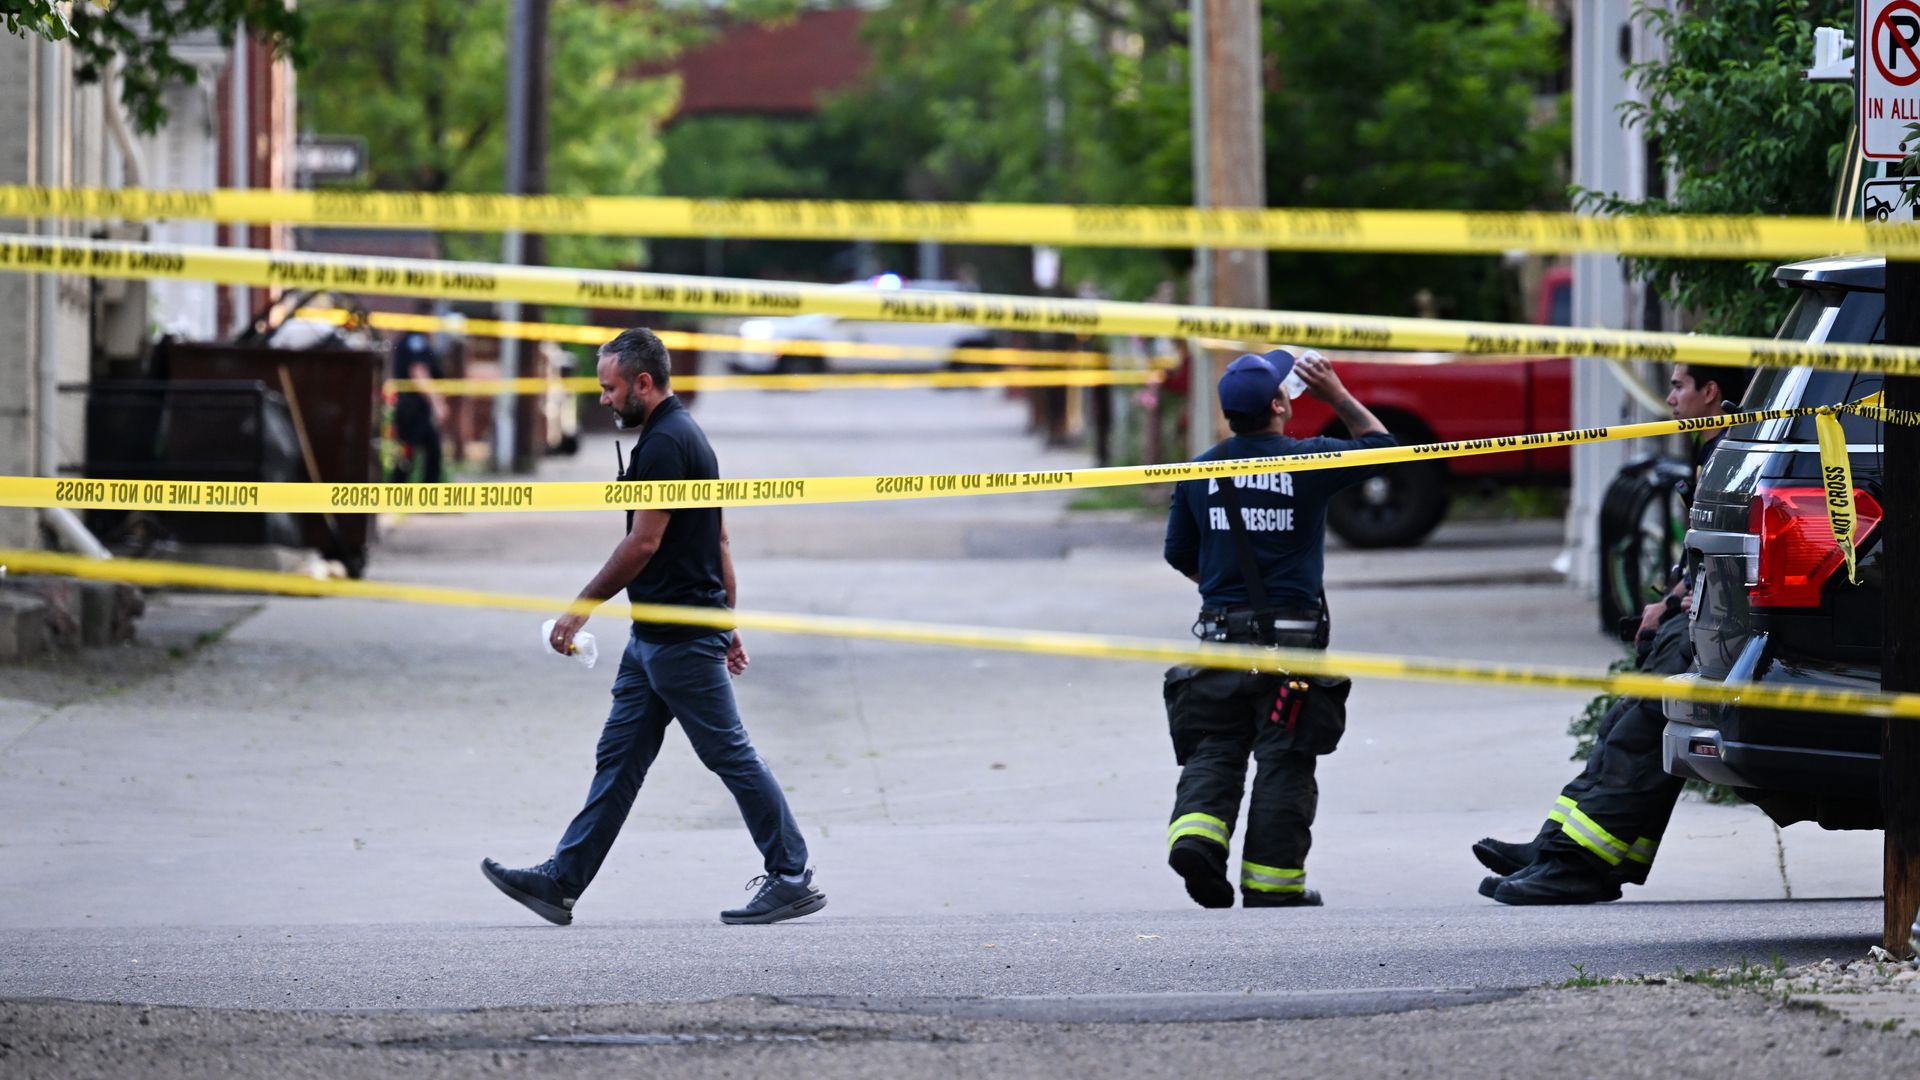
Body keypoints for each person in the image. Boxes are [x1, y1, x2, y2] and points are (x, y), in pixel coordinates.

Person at [482, 327, 825, 926]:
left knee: (729, 754)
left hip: (679, 638)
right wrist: (730, 620)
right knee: (617, 759)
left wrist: (580, 606)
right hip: (658, 639)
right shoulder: (678, 437)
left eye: (611, 389)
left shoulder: (669, 442)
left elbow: (644, 542)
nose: (605, 400)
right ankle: (561, 883)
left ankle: (791, 873)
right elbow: (715, 537)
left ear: (644, 382)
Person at [1475, 361, 1753, 905]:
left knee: (1641, 726)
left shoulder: (1735, 456)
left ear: (1711, 391)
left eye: (1678, 386)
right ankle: (1561, 846)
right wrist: (1669, 600)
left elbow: (1726, 555)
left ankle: (1577, 865)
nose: (1670, 399)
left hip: (1716, 626)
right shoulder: (1718, 452)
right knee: (1624, 719)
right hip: (1697, 616)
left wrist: (1676, 602)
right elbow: (1702, 552)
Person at [1162, 348, 1394, 908]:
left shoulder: (1198, 473)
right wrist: (1336, 394)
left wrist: (1226, 589)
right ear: (1280, 404)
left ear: (1227, 415)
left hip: (1219, 641)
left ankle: (1196, 838)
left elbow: (1178, 554)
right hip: (1292, 648)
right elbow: (1387, 449)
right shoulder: (1307, 463)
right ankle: (1273, 884)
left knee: (1216, 747)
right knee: (1285, 758)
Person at [388, 313, 450, 484]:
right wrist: (438, 403)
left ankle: (405, 496)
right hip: (413, 409)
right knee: (412, 454)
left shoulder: (409, 340)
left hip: (412, 408)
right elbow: (418, 373)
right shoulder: (417, 341)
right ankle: (400, 496)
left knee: (421, 452)